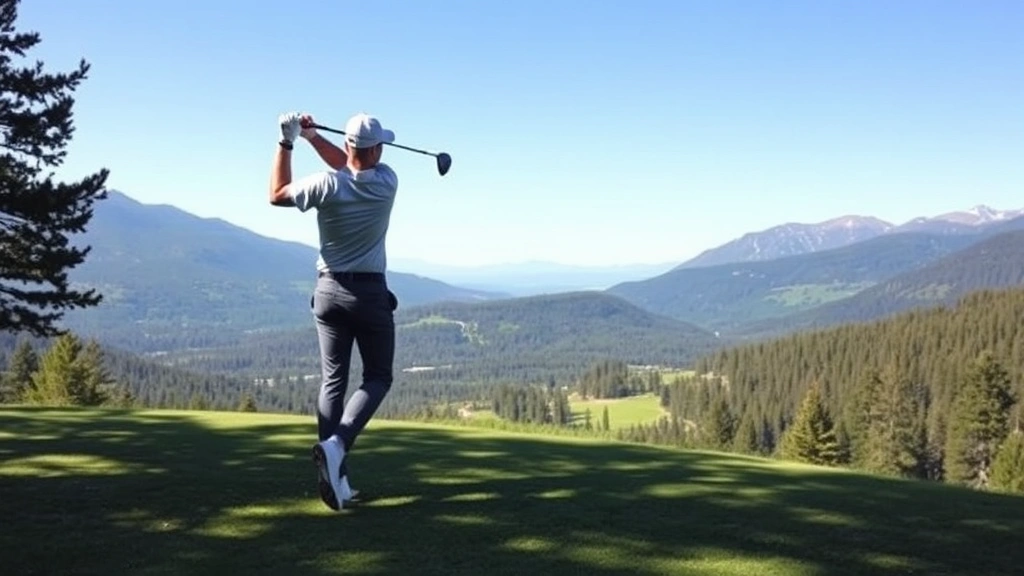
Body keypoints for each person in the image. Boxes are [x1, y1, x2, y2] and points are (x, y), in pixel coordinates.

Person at [269, 111, 400, 511]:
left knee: (333, 384)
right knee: (378, 376)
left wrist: (289, 140)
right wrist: (310, 138)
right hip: (370, 294)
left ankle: (337, 483)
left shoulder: (324, 184)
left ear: (346, 145)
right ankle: (337, 445)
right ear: (377, 149)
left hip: (327, 292)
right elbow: (354, 165)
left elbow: (277, 193)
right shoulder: (387, 182)